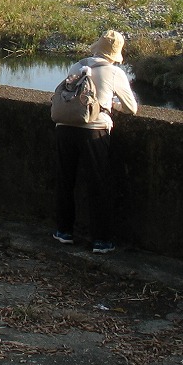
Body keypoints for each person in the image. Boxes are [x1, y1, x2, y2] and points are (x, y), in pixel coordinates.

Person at [51, 29, 138, 254]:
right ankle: (101, 241)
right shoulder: (115, 73)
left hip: (64, 127)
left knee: (65, 181)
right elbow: (132, 108)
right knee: (98, 185)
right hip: (94, 130)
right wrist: (113, 105)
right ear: (115, 54)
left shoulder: (76, 66)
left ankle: (64, 232)